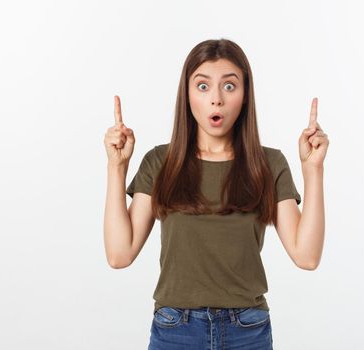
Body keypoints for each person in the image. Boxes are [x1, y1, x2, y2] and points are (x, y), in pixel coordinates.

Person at [103, 38, 329, 350]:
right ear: (187, 95)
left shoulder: (268, 164)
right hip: (175, 330)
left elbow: (307, 256)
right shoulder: (160, 162)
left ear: (245, 95)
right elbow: (119, 254)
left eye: (230, 86)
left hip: (247, 331)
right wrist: (117, 167)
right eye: (203, 86)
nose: (217, 100)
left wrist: (313, 169)